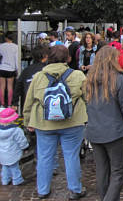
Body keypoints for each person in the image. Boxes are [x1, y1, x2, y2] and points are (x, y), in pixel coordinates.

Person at [23, 45, 87, 199]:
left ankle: (43, 190)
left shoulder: (39, 76)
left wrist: (27, 121)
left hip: (44, 123)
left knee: (45, 157)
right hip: (73, 122)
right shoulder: (78, 75)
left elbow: (29, 101)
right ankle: (75, 189)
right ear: (68, 58)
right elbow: (88, 98)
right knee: (71, 156)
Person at [84, 46, 123, 201]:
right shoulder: (119, 80)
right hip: (114, 132)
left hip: (95, 131)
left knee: (102, 171)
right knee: (118, 172)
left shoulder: (90, 80)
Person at [12, 44, 49, 113]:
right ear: (45, 56)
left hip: (28, 103)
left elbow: (18, 86)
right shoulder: (48, 69)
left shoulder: (26, 70)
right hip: (45, 104)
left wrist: (15, 103)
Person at [0, 108, 29, 186]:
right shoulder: (16, 130)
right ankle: (17, 180)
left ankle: (5, 180)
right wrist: (25, 147)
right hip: (12, 152)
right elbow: (21, 141)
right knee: (14, 166)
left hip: (2, 153)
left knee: (5, 166)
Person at [0, 32, 18, 108]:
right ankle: (10, 104)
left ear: (6, 38)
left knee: (2, 87)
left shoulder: (1, 46)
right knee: (10, 87)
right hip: (11, 69)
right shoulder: (16, 47)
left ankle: (2, 104)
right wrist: (17, 69)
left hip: (2, 68)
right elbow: (16, 59)